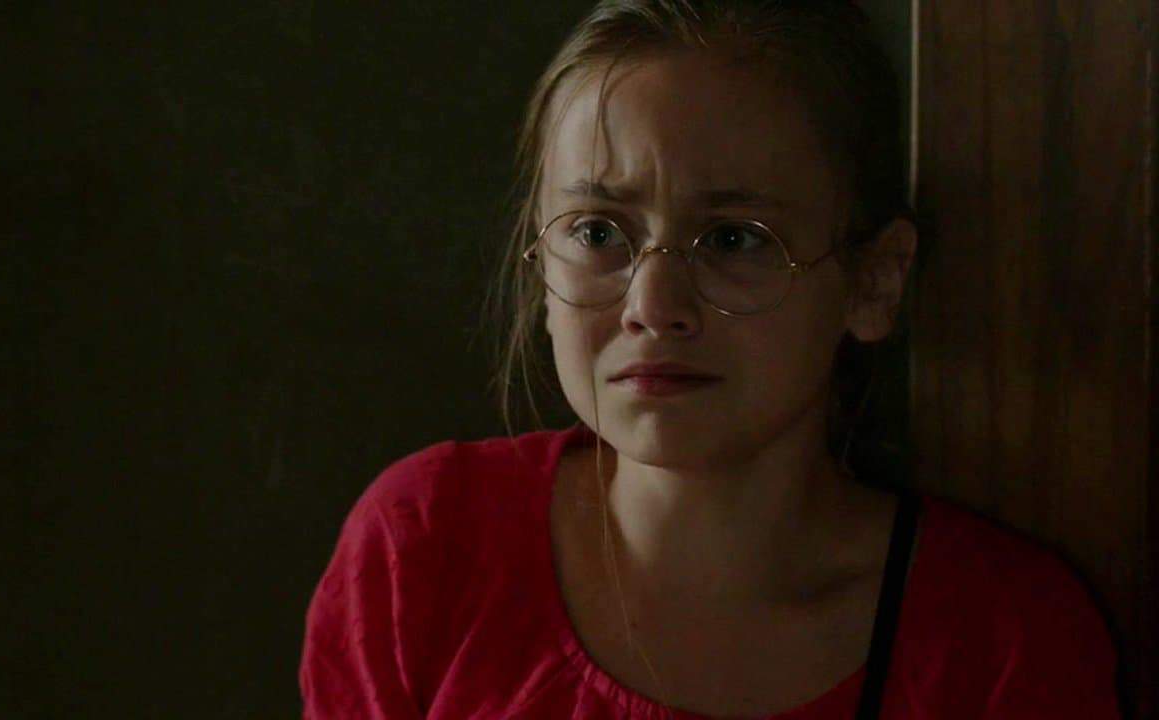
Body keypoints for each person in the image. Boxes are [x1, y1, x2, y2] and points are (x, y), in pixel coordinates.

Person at [299, 1, 1122, 718]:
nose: (653, 306)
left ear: (874, 281)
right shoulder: (425, 551)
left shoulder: (1002, 641)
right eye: (598, 232)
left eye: (734, 240)